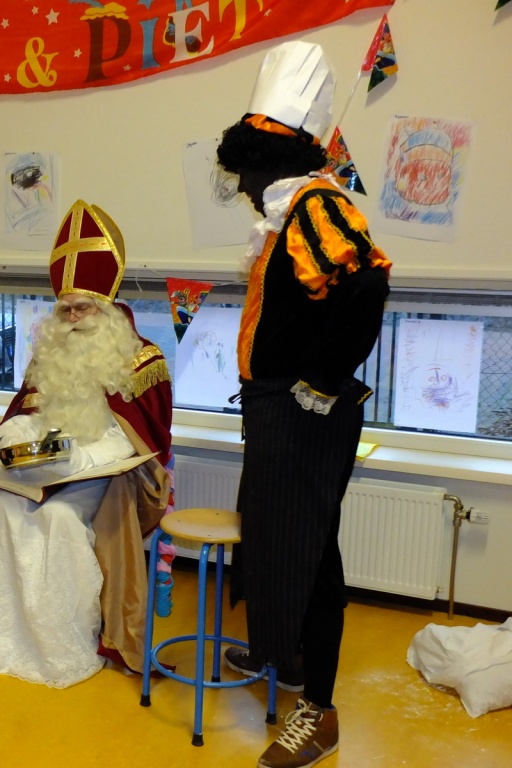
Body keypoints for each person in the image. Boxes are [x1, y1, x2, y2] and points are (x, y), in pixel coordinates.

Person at [215, 41, 392, 768]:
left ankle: (318, 710)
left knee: (309, 555)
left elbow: (366, 284)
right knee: (277, 542)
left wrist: (320, 380)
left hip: (303, 413)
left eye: (246, 172)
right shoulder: (291, 213)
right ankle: (286, 658)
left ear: (272, 162)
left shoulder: (317, 206)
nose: (242, 187)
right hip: (277, 409)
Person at [0, 199, 172, 688]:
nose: (73, 317)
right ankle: (5, 635)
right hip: (40, 469)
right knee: (1, 512)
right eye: (65, 309)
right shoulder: (48, 355)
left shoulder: (141, 359)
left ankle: (63, 640)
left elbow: (143, 439)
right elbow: (25, 413)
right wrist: (12, 438)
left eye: (83, 307)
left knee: (59, 520)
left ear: (106, 308)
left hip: (104, 476)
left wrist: (82, 460)